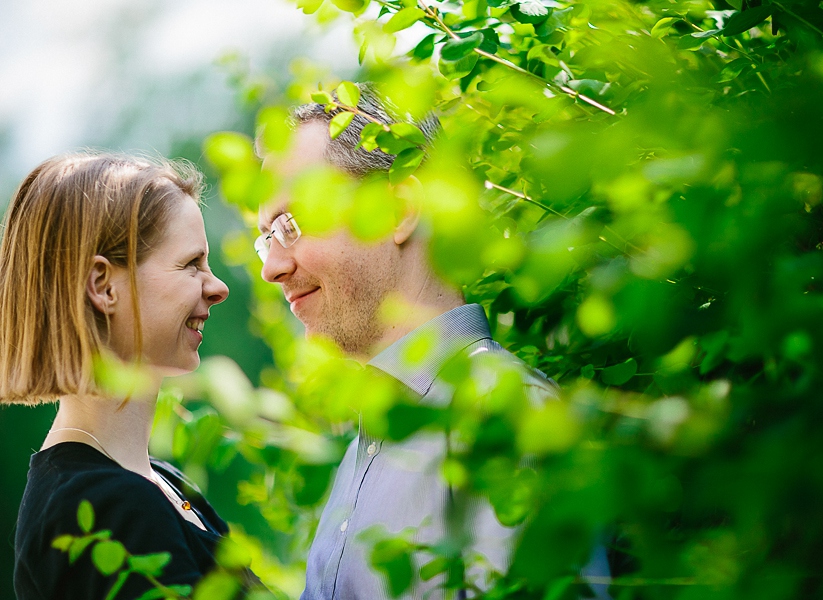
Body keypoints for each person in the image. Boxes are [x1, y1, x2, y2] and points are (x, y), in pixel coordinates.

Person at [255, 88, 611, 599]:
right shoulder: (363, 449)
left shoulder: (506, 421)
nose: (272, 267)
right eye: (267, 236)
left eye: (292, 224)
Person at [0, 152, 256, 599]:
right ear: (104, 286)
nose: (218, 287)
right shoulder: (100, 510)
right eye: (191, 264)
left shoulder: (162, 483)